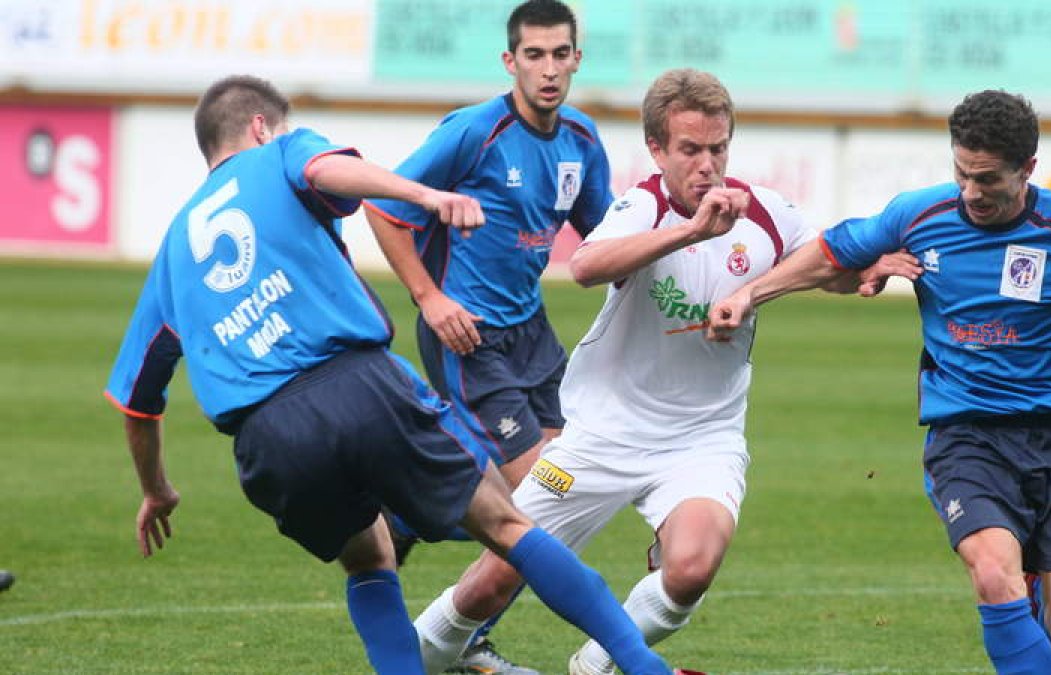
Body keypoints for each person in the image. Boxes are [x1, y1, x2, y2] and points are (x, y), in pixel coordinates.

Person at [103, 74, 679, 675]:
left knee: (369, 559)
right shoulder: (282, 151)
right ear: (259, 126)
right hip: (354, 382)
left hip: (267, 440)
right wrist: (426, 196)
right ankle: (644, 667)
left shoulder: (170, 253)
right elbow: (327, 172)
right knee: (507, 522)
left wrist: (156, 490)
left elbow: (138, 402)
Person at [406, 68, 920, 675]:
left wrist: (864, 265)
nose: (707, 165)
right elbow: (588, 265)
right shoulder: (642, 207)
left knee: (691, 568)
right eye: (691, 150)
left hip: (702, 437)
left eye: (718, 148)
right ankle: (416, 657)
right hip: (601, 435)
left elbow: (820, 264)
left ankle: (596, 665)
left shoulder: (766, 212)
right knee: (495, 580)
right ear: (657, 149)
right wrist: (691, 231)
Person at [707, 90, 1051, 673]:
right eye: (962, 173)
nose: (970, 192)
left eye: (987, 179)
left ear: (1028, 170)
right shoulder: (920, 216)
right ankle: (1020, 589)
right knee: (993, 575)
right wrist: (746, 295)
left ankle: (1044, 587)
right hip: (968, 435)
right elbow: (831, 251)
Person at [365, 2, 612, 670]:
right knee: (548, 500)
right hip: (468, 337)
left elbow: (607, 241)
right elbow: (384, 206)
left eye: (561, 54)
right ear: (511, 62)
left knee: (566, 488)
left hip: (533, 335)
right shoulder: (474, 132)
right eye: (534, 55)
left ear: (577, 59)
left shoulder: (583, 141)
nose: (549, 68)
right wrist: (431, 297)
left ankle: (414, 511)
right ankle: (464, 636)